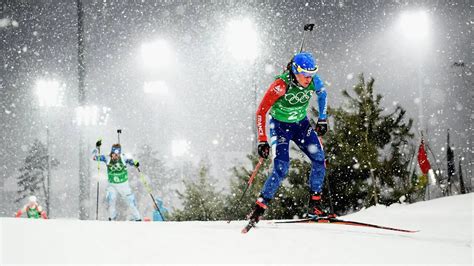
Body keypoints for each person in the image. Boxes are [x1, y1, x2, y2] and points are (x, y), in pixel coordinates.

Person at [248, 51, 333, 225]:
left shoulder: (314, 81)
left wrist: (322, 119)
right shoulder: (280, 85)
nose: (308, 79)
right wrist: (262, 140)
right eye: (304, 75)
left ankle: (315, 204)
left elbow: (323, 95)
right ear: (295, 70)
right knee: (281, 168)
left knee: (319, 159)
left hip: (300, 125)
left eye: (311, 74)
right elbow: (261, 112)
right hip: (280, 128)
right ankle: (259, 207)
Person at [93, 142, 142, 221]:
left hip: (124, 185)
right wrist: (97, 148)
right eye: (115, 154)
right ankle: (112, 217)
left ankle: (137, 218)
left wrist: (135, 163)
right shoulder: (107, 158)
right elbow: (94, 157)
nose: (116, 156)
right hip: (112, 185)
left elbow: (131, 161)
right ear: (112, 153)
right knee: (111, 199)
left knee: (130, 202)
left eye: (118, 154)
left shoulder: (123, 157)